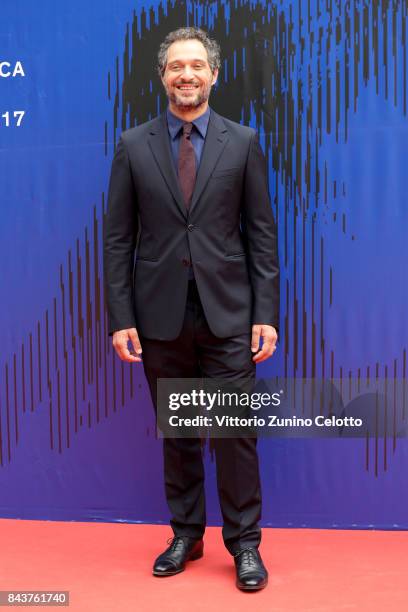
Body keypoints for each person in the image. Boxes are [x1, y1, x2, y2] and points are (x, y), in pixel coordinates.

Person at [103, 26, 280, 591]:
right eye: (176, 66)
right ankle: (186, 533)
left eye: (196, 66)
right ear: (162, 77)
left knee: (232, 433)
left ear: (214, 74)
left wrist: (265, 312)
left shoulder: (243, 142)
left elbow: (261, 236)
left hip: (229, 315)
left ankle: (244, 544)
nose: (186, 75)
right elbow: (117, 241)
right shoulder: (133, 145)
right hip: (160, 319)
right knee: (179, 433)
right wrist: (122, 317)